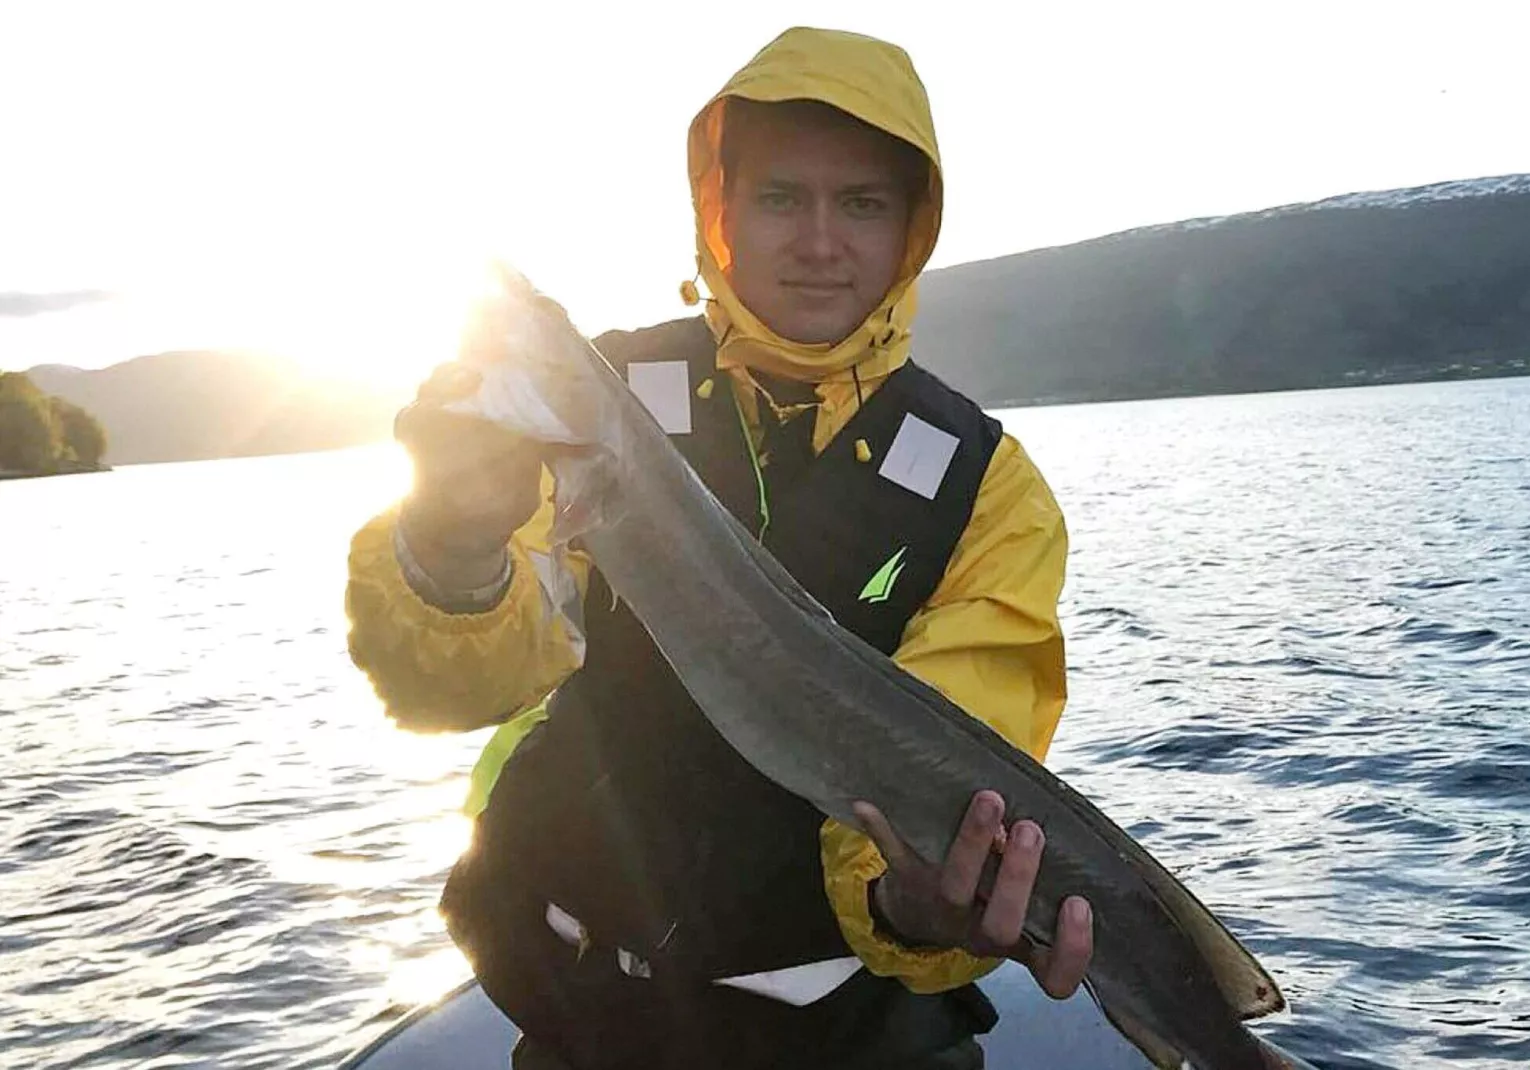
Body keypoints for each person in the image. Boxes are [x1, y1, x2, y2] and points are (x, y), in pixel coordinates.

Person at [345, 25, 1092, 1070]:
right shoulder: (585, 408)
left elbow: (959, 747)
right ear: (719, 211)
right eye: (782, 197)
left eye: (862, 203)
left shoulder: (986, 487)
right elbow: (447, 686)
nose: (820, 241)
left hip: (858, 1035)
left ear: (911, 228)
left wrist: (910, 898)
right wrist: (454, 546)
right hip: (583, 1014)